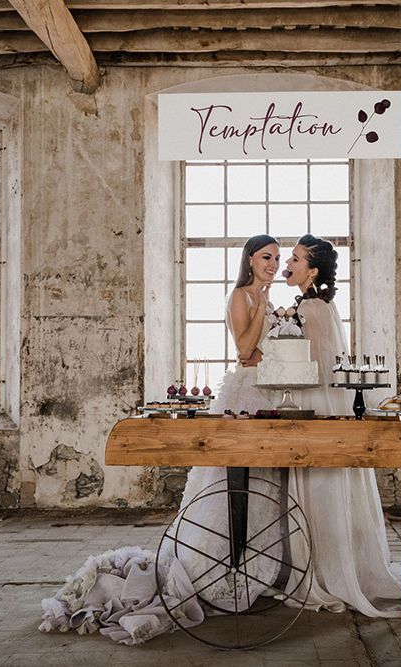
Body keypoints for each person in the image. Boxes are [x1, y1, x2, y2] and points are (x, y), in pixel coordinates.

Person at [39, 235, 286, 644]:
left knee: (261, 484)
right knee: (228, 481)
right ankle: (216, 570)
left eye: (277, 258)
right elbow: (244, 351)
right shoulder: (242, 296)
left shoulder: (265, 298)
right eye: (266, 257)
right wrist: (261, 305)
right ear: (250, 260)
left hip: (269, 391)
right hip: (244, 390)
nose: (273, 264)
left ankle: (258, 565)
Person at [283, 234, 401, 616]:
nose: (289, 262)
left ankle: (325, 571)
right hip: (317, 398)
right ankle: (328, 563)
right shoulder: (317, 304)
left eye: (296, 258)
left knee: (319, 484)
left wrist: (279, 350)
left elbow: (315, 365)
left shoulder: (313, 308)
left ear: (312, 270)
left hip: (314, 403)